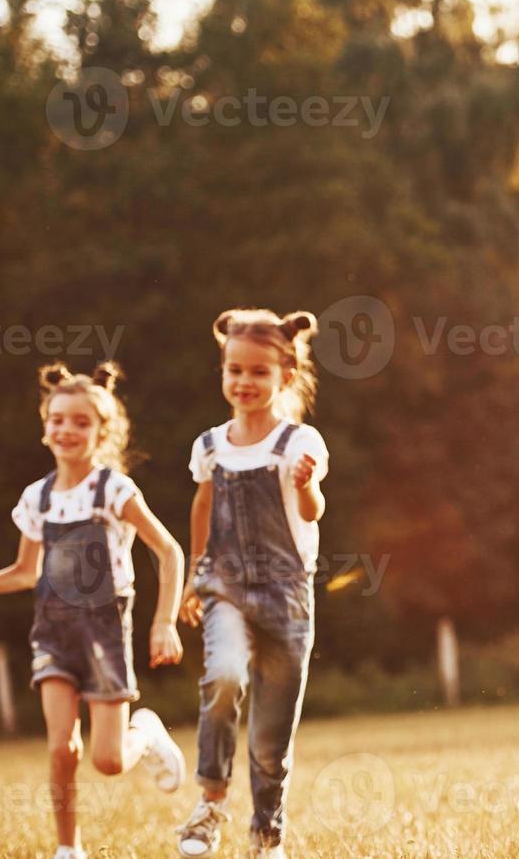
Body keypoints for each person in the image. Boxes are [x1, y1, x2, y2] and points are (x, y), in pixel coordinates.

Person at [0, 363, 186, 859]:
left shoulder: (113, 491)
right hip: (52, 633)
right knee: (62, 748)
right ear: (45, 427)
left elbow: (168, 551)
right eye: (58, 420)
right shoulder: (36, 499)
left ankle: (144, 732)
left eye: (81, 422)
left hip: (104, 633)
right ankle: (68, 848)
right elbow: (25, 571)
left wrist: (163, 621)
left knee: (106, 761)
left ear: (103, 432)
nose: (67, 430)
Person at [175, 310, 328, 859]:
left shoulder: (298, 441)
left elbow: (312, 513)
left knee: (269, 740)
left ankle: (266, 835)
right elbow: (203, 505)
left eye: (258, 372)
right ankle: (211, 801)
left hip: (288, 595)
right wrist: (196, 575)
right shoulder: (211, 445)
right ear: (222, 370)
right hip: (225, 587)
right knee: (223, 675)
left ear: (285, 376)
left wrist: (307, 484)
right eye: (233, 369)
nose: (244, 381)